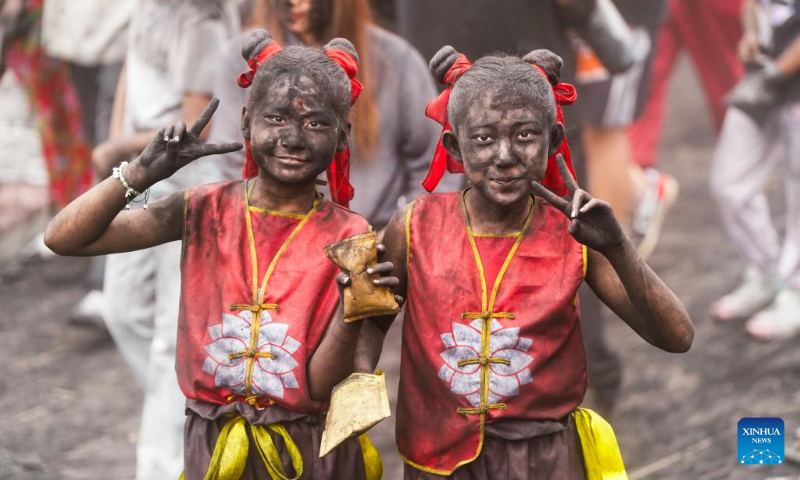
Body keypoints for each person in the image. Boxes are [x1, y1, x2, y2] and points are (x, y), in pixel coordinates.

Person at [310, 46, 694, 478]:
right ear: (455, 145)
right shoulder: (415, 225)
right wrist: (359, 383)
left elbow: (677, 336)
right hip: (438, 460)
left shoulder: (574, 235)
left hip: (544, 460)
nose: (505, 155)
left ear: (554, 140)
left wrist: (619, 247)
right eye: (484, 138)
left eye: (525, 135)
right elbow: (373, 324)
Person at [45, 29, 397, 479]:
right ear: (246, 122)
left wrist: (353, 314)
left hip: (308, 452)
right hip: (211, 444)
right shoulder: (201, 208)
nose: (292, 138)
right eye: (276, 119)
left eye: (315, 124)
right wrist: (140, 173)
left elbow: (320, 385)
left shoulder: (350, 234)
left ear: (342, 136)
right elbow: (63, 238)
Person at [90, 1, 239, 477]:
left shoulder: (203, 18)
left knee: (171, 338)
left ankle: (164, 466)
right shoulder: (145, 6)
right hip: (139, 171)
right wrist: (117, 165)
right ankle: (195, 410)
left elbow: (197, 128)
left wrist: (120, 150)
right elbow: (128, 86)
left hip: (183, 177)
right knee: (122, 309)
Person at [208, 0, 458, 230]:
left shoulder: (396, 60)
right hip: (274, 235)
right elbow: (231, 161)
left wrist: (394, 237)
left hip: (374, 240)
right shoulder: (240, 58)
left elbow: (433, 164)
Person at [710, 0, 800, 339]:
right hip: (765, 72)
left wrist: (780, 70)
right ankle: (767, 271)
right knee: (728, 183)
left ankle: (795, 289)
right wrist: (750, 31)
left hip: (783, 74)